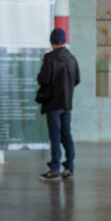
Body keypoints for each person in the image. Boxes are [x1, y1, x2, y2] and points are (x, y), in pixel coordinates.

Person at [38, 28, 80, 181]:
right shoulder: (71, 58)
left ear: (52, 41)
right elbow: (77, 79)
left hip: (53, 104)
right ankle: (69, 167)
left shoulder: (49, 58)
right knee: (66, 134)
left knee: (55, 136)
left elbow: (44, 80)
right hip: (66, 103)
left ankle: (55, 169)